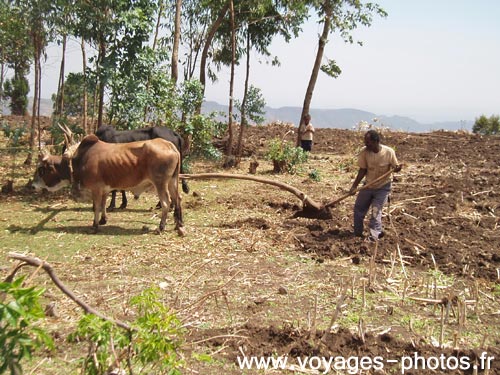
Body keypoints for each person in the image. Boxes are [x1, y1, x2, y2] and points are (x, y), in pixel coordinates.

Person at [348, 130, 402, 241]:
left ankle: (374, 236)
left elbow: (395, 167)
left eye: (369, 142)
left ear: (376, 141)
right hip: (368, 185)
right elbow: (362, 170)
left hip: (383, 187)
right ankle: (357, 234)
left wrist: (397, 168)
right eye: (365, 142)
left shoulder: (388, 152)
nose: (366, 144)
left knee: (375, 211)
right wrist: (354, 186)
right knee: (358, 209)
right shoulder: (364, 152)